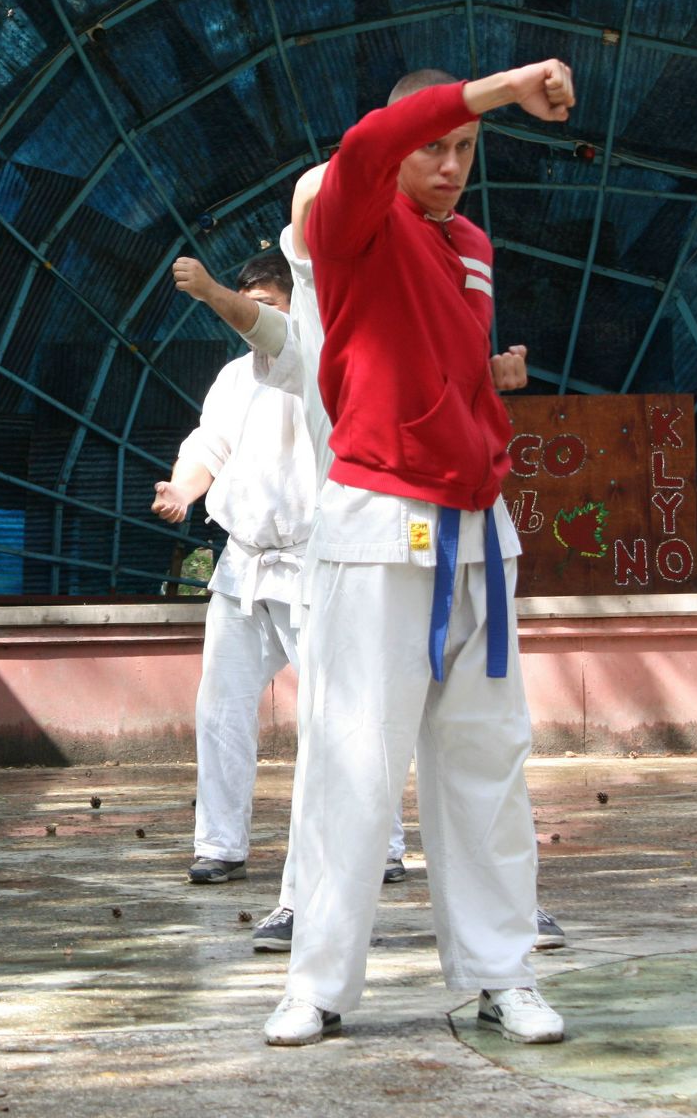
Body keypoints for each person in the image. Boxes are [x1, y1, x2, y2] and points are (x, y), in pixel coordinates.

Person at [264, 63, 576, 1049]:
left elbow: (434, 360)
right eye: (433, 145)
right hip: (377, 523)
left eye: (466, 151)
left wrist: (485, 382)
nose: (449, 165)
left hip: (477, 527)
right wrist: (506, 86)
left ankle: (502, 973)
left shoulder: (473, 244)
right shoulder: (353, 218)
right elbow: (360, 152)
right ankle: (317, 983)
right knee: (353, 759)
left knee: (490, 764)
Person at [155, 254, 322, 885]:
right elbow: (209, 445)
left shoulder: (319, 360)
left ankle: (378, 845)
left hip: (313, 561)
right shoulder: (232, 377)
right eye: (246, 302)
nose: (251, 317)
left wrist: (209, 291)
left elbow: (269, 331)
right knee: (220, 706)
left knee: (338, 709)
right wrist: (182, 489)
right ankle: (219, 843)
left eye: (267, 305)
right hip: (244, 561)